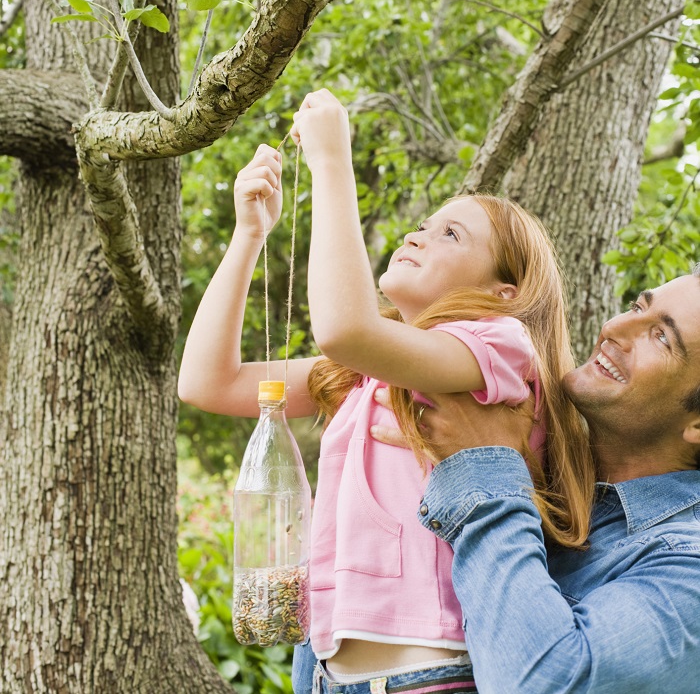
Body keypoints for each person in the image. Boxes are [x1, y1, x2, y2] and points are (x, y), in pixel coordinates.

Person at [178, 89, 594, 693]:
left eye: (451, 234)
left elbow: (346, 328)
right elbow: (208, 382)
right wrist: (248, 237)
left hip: (430, 675)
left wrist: (330, 160)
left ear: (507, 290)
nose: (418, 235)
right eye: (423, 224)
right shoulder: (369, 374)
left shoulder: (500, 350)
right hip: (327, 676)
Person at [365, 273, 700, 694]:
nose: (615, 329)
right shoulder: (539, 469)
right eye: (636, 306)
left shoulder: (688, 566)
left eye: (660, 337)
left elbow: (545, 682)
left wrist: (483, 462)